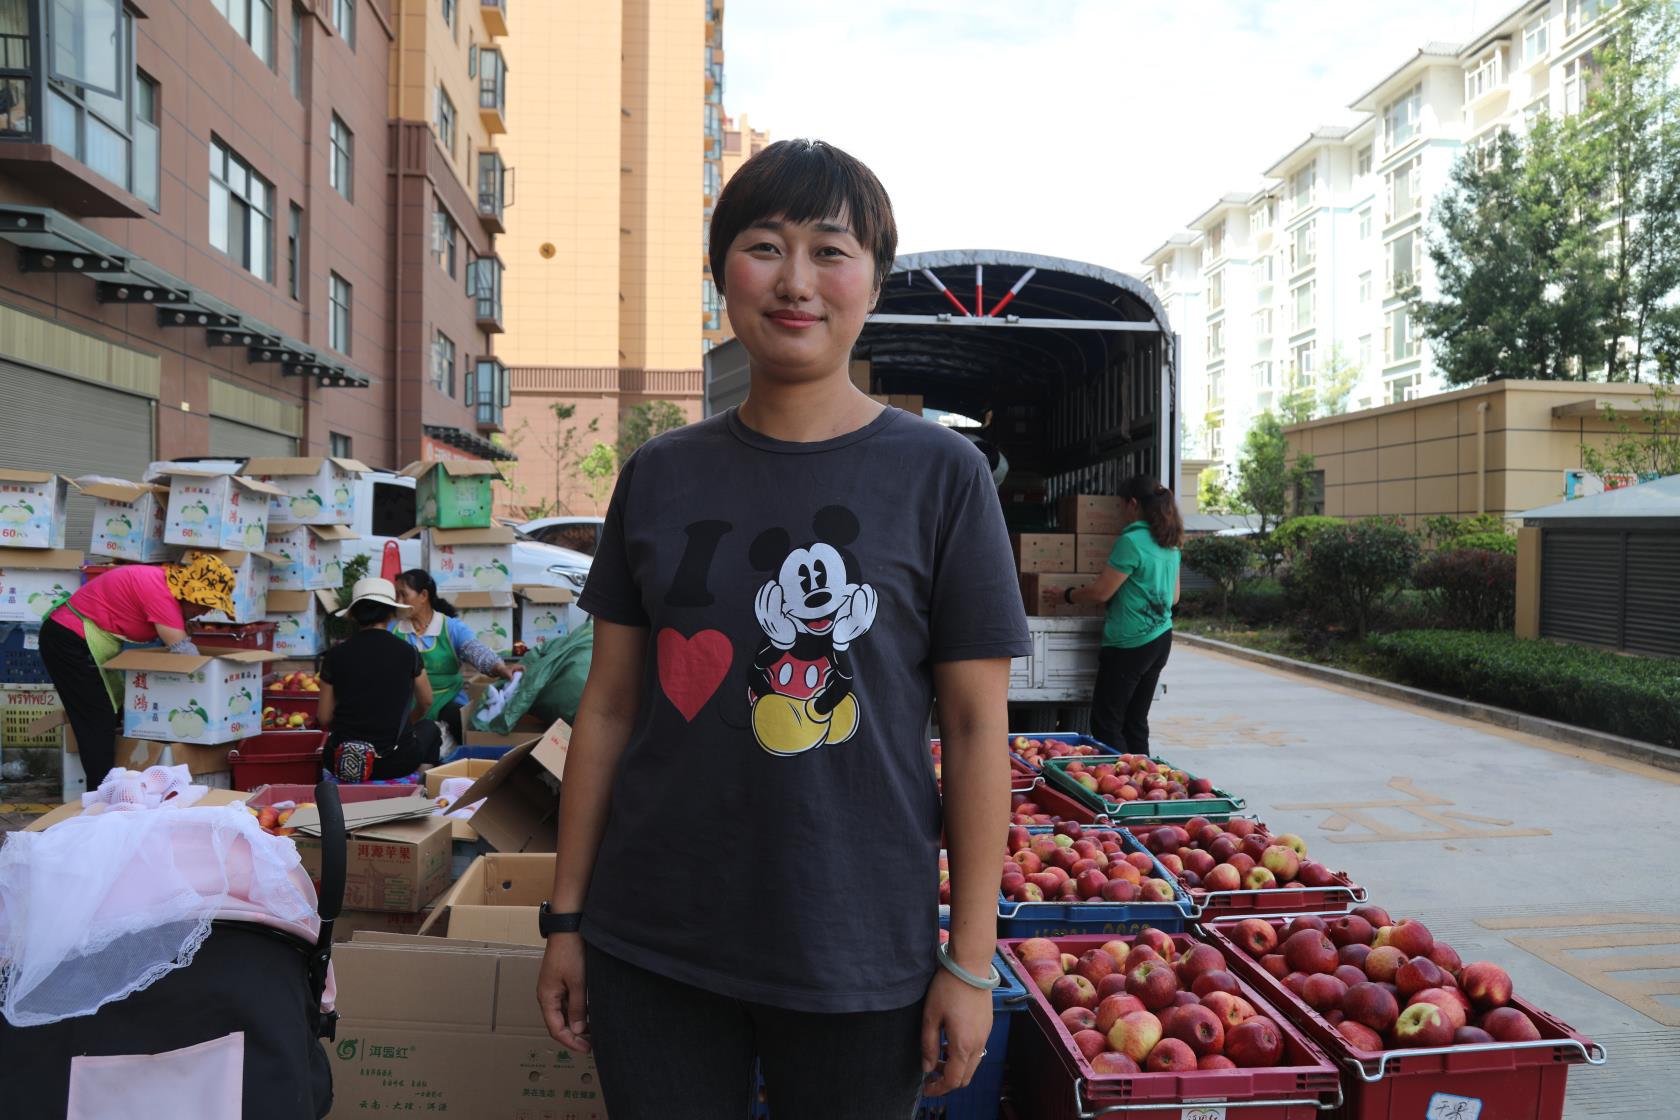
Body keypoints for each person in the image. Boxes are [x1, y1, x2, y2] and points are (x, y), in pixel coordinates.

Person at [534, 138, 1031, 1117]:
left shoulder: (942, 478)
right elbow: (609, 707)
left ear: (874, 281)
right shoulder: (661, 474)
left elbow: (977, 732)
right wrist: (566, 918)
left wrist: (970, 964)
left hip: (860, 952)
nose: (796, 281)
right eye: (764, 246)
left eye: (831, 251)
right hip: (652, 946)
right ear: (723, 272)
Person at [39, 553, 238, 790]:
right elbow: (186, 655)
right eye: (205, 604)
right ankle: (101, 795)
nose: (205, 612)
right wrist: (217, 691)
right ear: (190, 593)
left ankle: (108, 790)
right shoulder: (162, 595)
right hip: (69, 640)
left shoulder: (164, 587)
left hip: (80, 640)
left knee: (106, 715)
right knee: (97, 718)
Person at [1064, 477, 1183, 755]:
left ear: (1132, 504)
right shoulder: (1170, 542)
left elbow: (1101, 592)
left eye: (1121, 505)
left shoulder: (1131, 540)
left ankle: (1120, 782)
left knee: (1107, 722)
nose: (1120, 511)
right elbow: (1174, 598)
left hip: (1130, 643)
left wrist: (1067, 595)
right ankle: (1144, 784)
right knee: (1135, 722)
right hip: (1160, 638)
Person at [317, 578, 441, 782]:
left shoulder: (334, 655)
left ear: (354, 615)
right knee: (430, 729)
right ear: (391, 613)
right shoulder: (408, 652)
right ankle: (421, 791)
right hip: (395, 762)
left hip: (342, 761)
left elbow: (324, 717)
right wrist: (408, 723)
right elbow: (426, 701)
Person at [389, 569, 517, 747]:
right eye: (396, 595)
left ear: (423, 595)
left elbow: (475, 650)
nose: (398, 601)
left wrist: (500, 668)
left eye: (403, 594)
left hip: (447, 699)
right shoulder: (393, 630)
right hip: (408, 703)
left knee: (457, 720)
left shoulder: (450, 627)